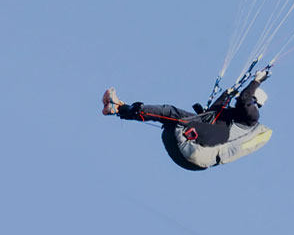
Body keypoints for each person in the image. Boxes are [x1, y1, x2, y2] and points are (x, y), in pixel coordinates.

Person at [101, 71, 271, 170]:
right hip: (190, 154)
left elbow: (244, 99)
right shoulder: (230, 117)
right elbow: (214, 110)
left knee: (171, 113)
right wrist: (227, 93)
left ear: (255, 101)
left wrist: (256, 81)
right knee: (170, 117)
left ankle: (118, 108)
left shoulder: (251, 118)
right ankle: (118, 108)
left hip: (197, 152)